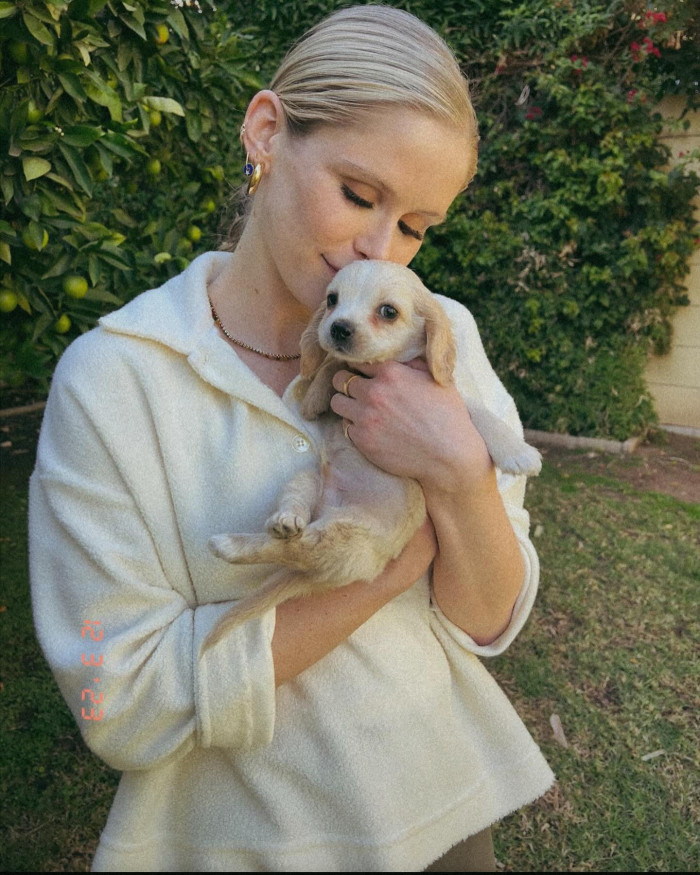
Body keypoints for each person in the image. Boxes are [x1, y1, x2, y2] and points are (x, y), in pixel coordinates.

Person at [29, 5, 554, 871]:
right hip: (245, 843)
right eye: (359, 194)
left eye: (417, 226)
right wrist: (397, 558)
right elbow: (116, 700)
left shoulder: (435, 328)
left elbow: (490, 617)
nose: (378, 248)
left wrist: (461, 475)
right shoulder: (116, 382)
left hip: (446, 812)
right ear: (266, 133)